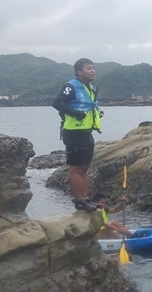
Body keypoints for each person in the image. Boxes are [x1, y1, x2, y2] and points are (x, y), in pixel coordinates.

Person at [52, 58, 103, 211]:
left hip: (86, 132)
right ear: (79, 72)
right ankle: (79, 201)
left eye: (93, 68)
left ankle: (86, 199)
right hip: (74, 133)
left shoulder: (89, 87)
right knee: (76, 168)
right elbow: (57, 103)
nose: (93, 70)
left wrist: (97, 114)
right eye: (88, 68)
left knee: (84, 168)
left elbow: (87, 107)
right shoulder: (71, 86)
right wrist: (75, 113)